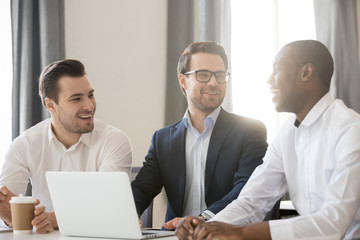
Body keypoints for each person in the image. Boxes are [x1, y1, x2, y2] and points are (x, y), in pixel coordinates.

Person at [175, 40, 360, 240]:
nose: (270, 80)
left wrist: (242, 232)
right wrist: (205, 228)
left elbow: (333, 224)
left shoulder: (351, 130)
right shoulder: (288, 132)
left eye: (277, 70)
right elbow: (252, 201)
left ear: (306, 73)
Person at [131, 41, 268, 230]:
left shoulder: (250, 131)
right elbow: (142, 188)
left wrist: (201, 220)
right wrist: (128, 214)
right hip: (174, 236)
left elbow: (246, 188)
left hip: (224, 234)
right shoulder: (162, 139)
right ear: (182, 80)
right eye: (203, 75)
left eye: (220, 75)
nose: (213, 82)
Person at [0, 59, 132, 233]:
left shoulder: (114, 140)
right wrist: (10, 216)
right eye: (76, 99)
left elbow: (108, 206)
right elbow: (5, 208)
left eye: (90, 95)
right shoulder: (24, 145)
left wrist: (54, 218)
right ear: (50, 105)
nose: (89, 105)